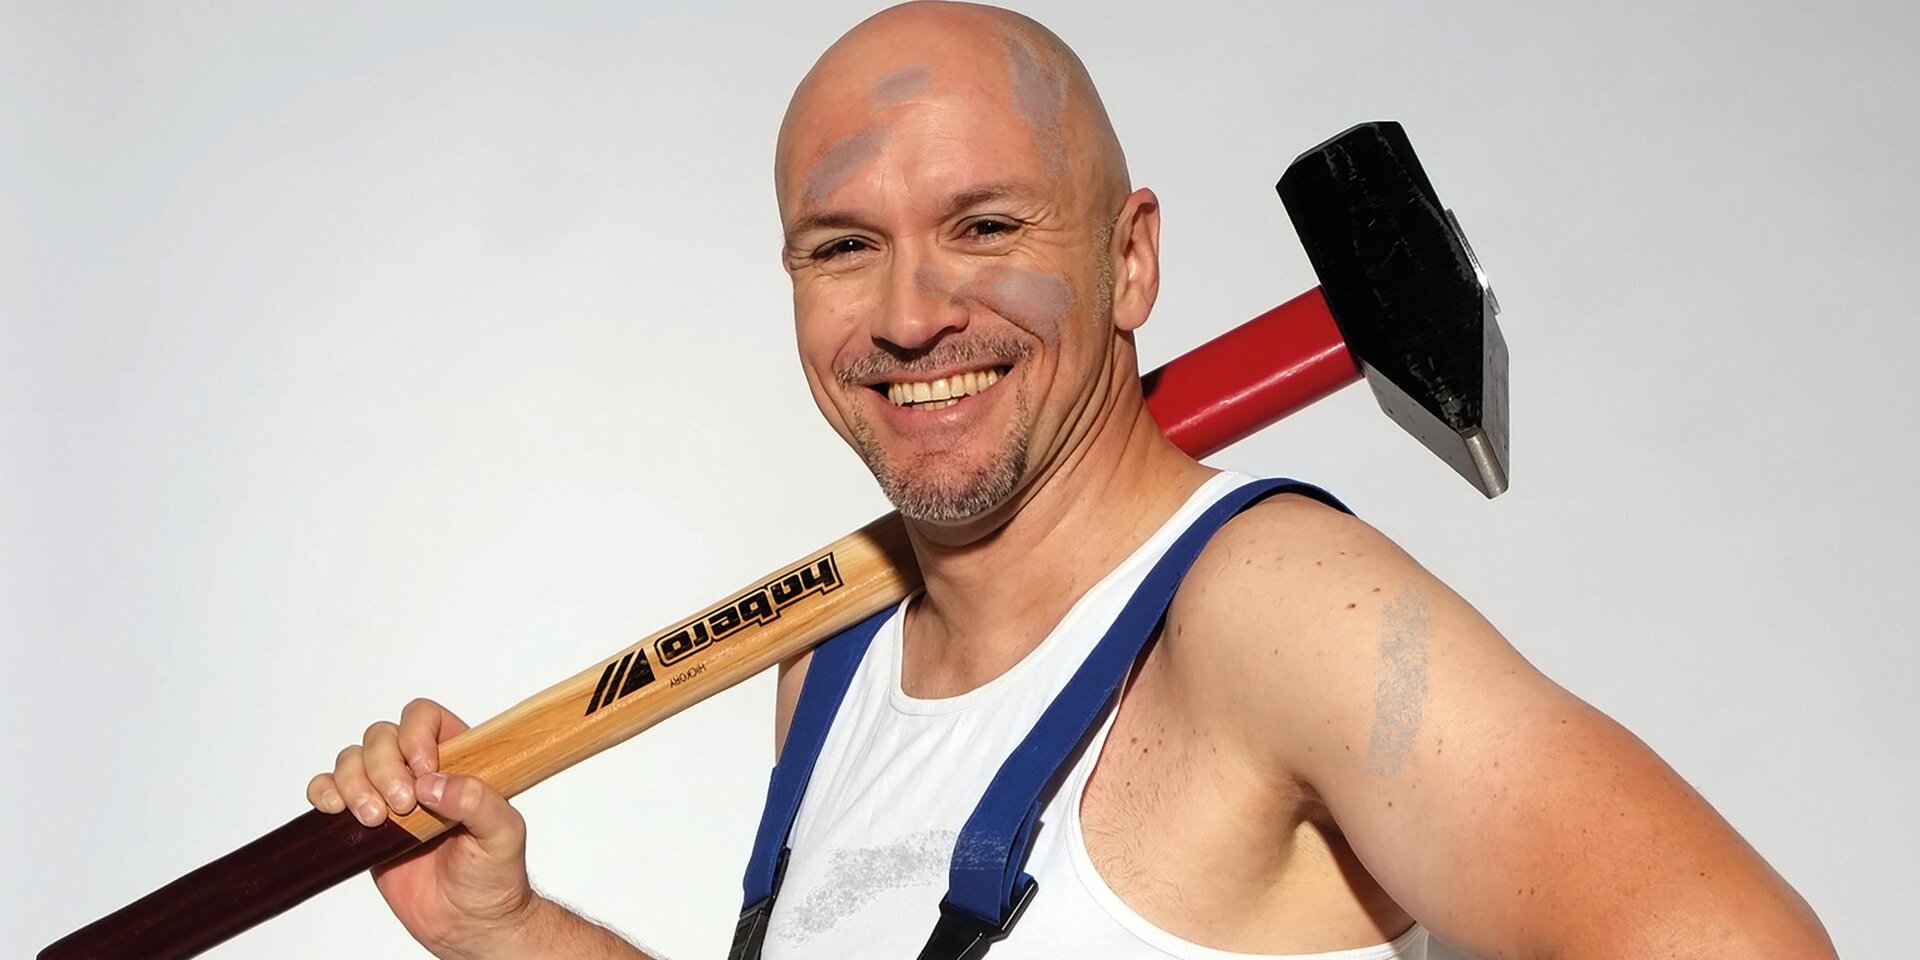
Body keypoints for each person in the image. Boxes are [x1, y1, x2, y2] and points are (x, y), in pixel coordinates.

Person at [306, 3, 1837, 958]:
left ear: (1130, 259)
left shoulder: (1272, 610)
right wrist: (507, 934)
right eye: (843, 246)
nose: (911, 314)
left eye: (985, 227)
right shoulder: (828, 665)